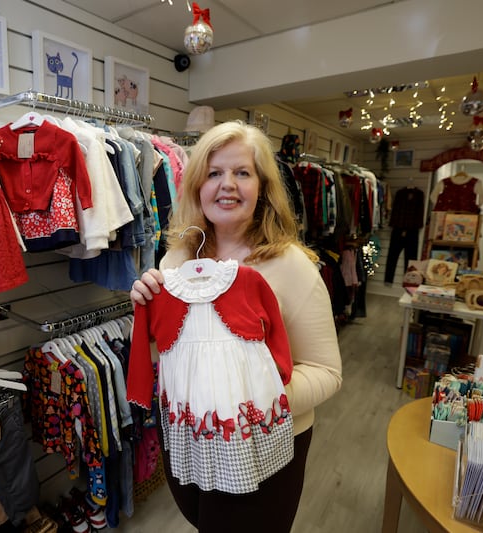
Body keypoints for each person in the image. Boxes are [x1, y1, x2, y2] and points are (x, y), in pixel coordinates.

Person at [128, 120, 342, 532]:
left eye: (242, 172)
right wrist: (144, 307)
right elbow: (165, 355)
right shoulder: (177, 259)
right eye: (214, 173)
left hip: (264, 449)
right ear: (197, 186)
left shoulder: (291, 267)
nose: (227, 184)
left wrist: (253, 401)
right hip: (189, 440)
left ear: (263, 187)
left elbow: (326, 371)